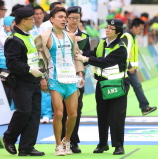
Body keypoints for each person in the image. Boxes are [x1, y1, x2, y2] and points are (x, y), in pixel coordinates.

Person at [34, 7, 84, 156]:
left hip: (70, 79)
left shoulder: (71, 36)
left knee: (73, 114)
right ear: (52, 19)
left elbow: (76, 56)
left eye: (65, 17)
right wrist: (42, 77)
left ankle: (66, 140)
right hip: (55, 80)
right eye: (60, 17)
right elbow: (40, 60)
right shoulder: (44, 37)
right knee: (59, 113)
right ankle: (58, 145)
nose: (64, 19)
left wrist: (80, 74)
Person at [75, 19, 129, 155]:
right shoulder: (102, 42)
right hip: (102, 84)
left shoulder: (121, 47)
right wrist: (79, 52)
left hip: (117, 84)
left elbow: (105, 62)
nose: (107, 30)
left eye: (111, 28)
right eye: (107, 27)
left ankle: (118, 145)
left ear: (118, 32)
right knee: (102, 115)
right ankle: (102, 143)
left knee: (117, 116)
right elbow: (94, 53)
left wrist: (85, 59)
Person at [3, 7, 45, 156]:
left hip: (33, 81)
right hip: (21, 81)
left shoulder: (28, 36)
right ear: (23, 21)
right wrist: (29, 69)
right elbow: (12, 63)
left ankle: (27, 146)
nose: (34, 21)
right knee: (24, 111)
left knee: (34, 114)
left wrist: (39, 73)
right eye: (31, 19)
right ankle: (9, 138)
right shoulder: (13, 39)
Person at [61, 6, 90, 154]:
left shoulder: (84, 35)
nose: (74, 21)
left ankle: (73, 141)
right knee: (61, 110)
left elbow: (89, 56)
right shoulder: (59, 34)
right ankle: (61, 140)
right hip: (61, 76)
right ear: (66, 18)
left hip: (78, 77)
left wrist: (81, 55)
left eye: (77, 19)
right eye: (71, 18)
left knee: (76, 109)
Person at [121, 18, 157, 115]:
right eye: (140, 29)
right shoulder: (127, 36)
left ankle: (144, 107)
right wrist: (129, 66)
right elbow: (123, 53)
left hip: (131, 69)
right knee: (124, 90)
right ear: (133, 27)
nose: (141, 31)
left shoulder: (133, 36)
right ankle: (118, 111)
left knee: (136, 87)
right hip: (126, 69)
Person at [0, 16, 15, 108]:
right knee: (5, 87)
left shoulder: (12, 33)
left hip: (10, 65)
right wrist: (9, 32)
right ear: (8, 24)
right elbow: (8, 45)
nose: (15, 24)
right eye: (13, 22)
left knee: (11, 88)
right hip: (3, 66)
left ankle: (10, 109)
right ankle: (5, 110)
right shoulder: (2, 34)